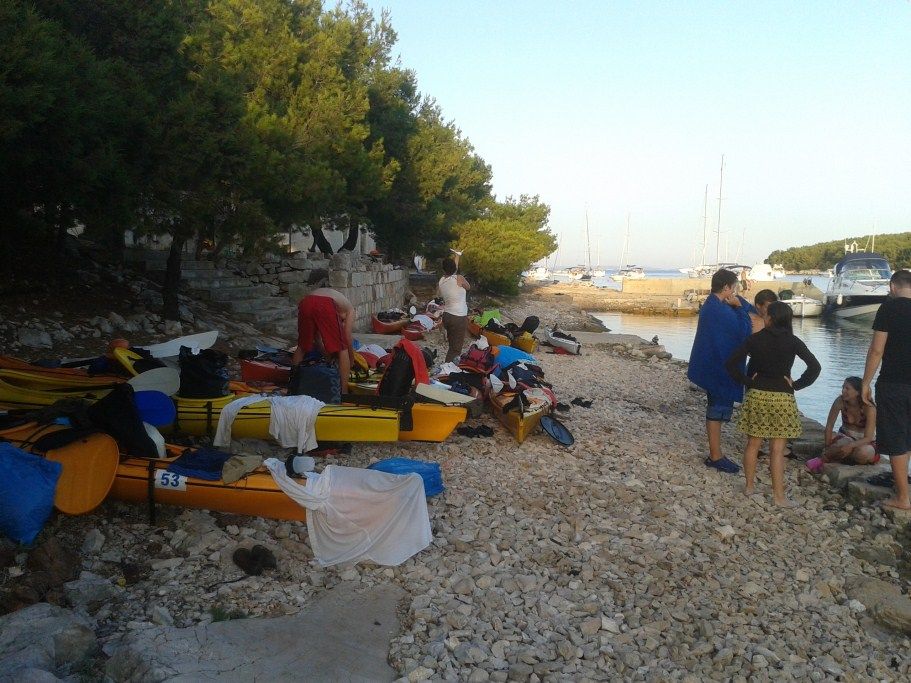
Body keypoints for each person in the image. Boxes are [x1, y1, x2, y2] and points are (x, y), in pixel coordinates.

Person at [726, 301, 821, 506]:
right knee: (777, 450)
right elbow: (815, 367)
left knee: (753, 444)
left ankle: (749, 487)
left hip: (758, 394)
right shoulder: (793, 341)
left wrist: (748, 381)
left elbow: (731, 364)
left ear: (769, 318)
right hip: (782, 398)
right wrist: (796, 384)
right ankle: (779, 497)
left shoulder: (754, 339)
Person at [687, 269, 756, 473]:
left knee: (716, 407)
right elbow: (744, 331)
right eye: (734, 287)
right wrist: (740, 309)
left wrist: (740, 304)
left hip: (713, 362)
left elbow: (748, 310)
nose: (735, 291)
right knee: (716, 409)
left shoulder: (714, 304)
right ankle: (715, 456)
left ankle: (715, 454)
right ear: (726, 287)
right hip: (718, 366)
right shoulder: (719, 310)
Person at [861, 269, 911, 511]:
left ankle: (903, 497)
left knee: (896, 437)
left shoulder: (889, 308)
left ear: (892, 286)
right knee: (908, 437)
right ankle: (902, 488)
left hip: (894, 383)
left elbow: (876, 350)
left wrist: (865, 382)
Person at [805, 377, 878, 474]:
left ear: (858, 392)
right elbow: (829, 426)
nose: (843, 390)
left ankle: (840, 457)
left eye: (847, 388)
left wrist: (850, 446)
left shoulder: (869, 408)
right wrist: (827, 447)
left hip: (864, 442)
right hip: (845, 437)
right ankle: (826, 458)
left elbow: (868, 438)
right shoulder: (840, 401)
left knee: (863, 453)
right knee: (844, 442)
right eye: (843, 387)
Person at [292, 287, 355, 393]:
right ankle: (343, 392)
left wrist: (327, 357)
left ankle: (293, 386)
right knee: (342, 348)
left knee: (302, 347)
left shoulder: (338, 302)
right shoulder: (350, 310)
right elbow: (347, 337)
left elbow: (317, 338)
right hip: (325, 303)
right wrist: (351, 359)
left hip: (306, 301)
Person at [438, 254, 470, 363]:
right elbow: (468, 287)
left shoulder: (442, 281)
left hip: (447, 316)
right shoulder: (459, 278)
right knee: (455, 349)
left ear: (443, 269)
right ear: (454, 268)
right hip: (458, 317)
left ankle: (448, 365)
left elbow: (452, 273)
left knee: (452, 345)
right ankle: (448, 369)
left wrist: (457, 257)